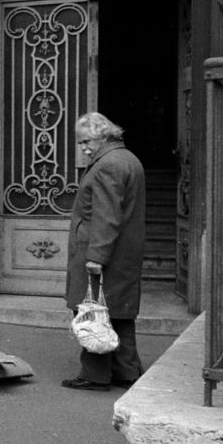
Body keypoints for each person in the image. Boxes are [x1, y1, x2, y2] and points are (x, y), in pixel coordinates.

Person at [63, 112, 146, 390]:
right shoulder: (127, 159)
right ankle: (127, 371)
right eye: (80, 142)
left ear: (104, 136)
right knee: (118, 312)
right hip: (123, 251)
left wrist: (96, 257)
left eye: (86, 141)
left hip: (101, 250)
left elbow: (105, 216)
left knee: (92, 311)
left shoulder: (107, 165)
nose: (83, 147)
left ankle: (94, 375)